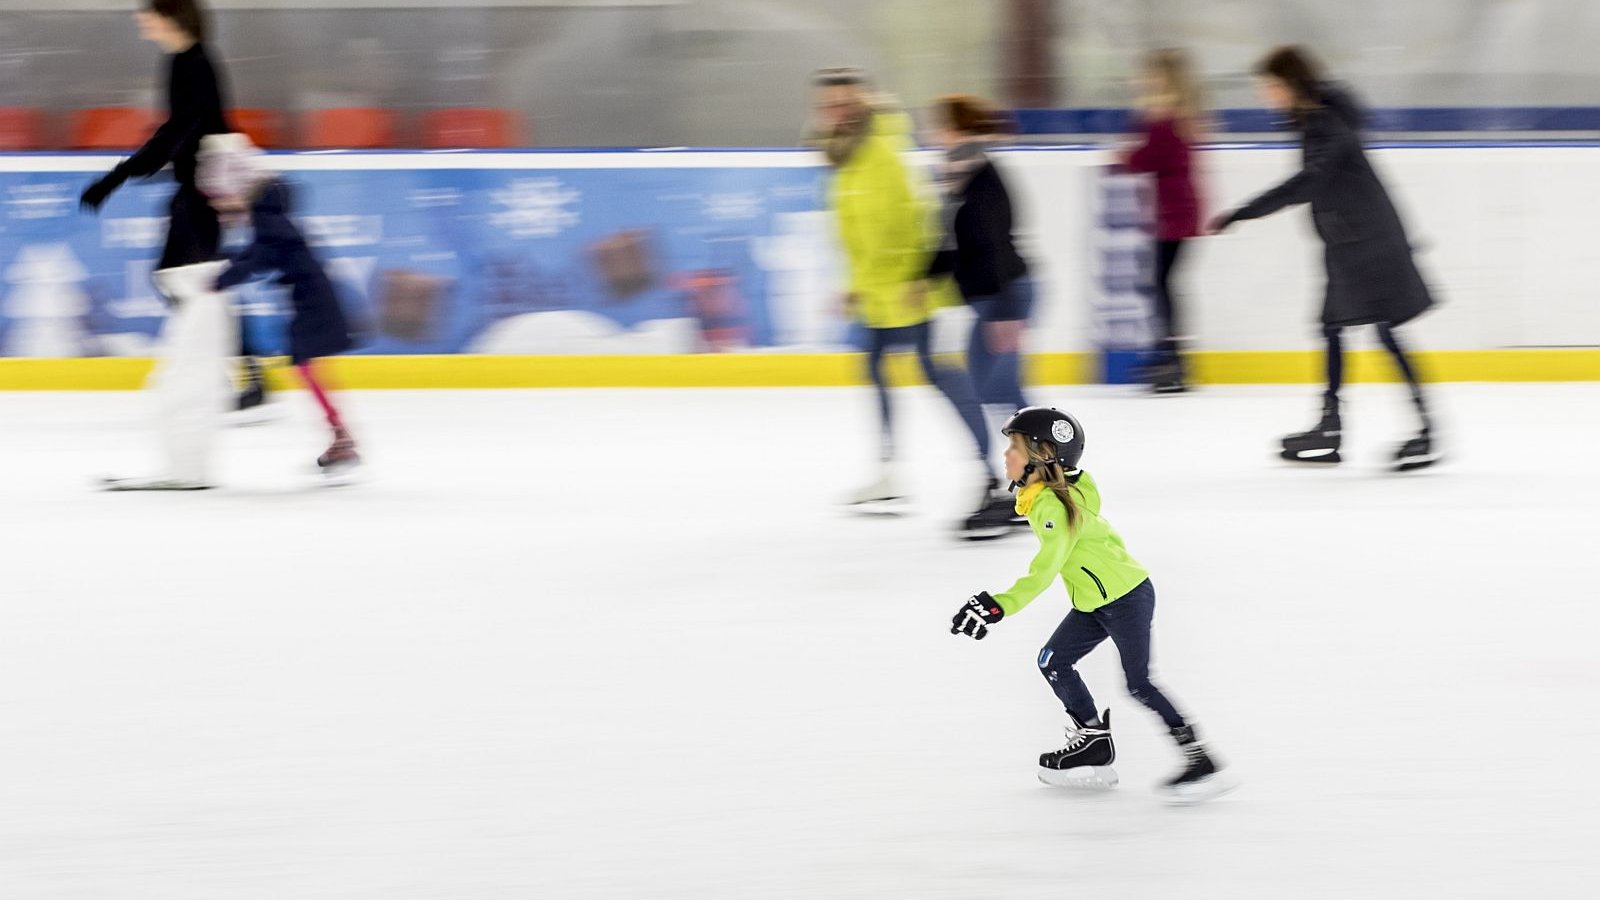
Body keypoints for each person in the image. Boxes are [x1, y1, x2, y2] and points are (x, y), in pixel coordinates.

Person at [949, 407, 1233, 804]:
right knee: (1052, 661)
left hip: (1126, 596)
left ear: (1044, 455)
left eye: (1014, 447)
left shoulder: (1055, 509)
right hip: (1094, 601)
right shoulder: (1054, 494)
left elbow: (1043, 572)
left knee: (1139, 683)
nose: (1006, 456)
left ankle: (1199, 757)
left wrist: (998, 605)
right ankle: (1094, 742)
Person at [1211, 46, 1438, 471]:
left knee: (1385, 332)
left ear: (1291, 84)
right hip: (1347, 242)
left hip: (1372, 242)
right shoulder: (1312, 120)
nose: (1265, 96)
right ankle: (1330, 426)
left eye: (1271, 87)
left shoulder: (1325, 123)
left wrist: (1244, 212)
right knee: (1332, 326)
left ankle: (1428, 430)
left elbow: (1308, 182)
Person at [808, 68, 994, 532]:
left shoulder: (885, 152)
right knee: (874, 367)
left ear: (863, 105)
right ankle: (890, 471)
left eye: (845, 104)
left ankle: (990, 470)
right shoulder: (845, 159)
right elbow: (859, 230)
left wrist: (922, 279)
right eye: (829, 106)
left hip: (911, 289)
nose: (837, 113)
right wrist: (854, 283)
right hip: (877, 291)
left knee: (939, 373)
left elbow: (924, 218)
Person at [78, 0, 270, 413]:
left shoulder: (194, 62)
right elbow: (182, 131)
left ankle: (240, 373)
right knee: (189, 281)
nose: (141, 19)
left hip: (203, 191)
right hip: (195, 187)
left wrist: (120, 174)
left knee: (189, 281)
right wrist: (129, 171)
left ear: (172, 18)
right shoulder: (184, 60)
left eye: (150, 13)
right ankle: (241, 372)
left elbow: (182, 129)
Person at [199, 134, 361, 474]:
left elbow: (260, 255)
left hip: (314, 303)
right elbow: (258, 252)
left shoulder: (267, 218)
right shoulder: (269, 214)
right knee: (305, 366)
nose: (223, 210)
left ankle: (341, 438)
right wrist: (227, 265)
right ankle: (340, 436)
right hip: (311, 300)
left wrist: (219, 280)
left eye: (224, 199)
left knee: (304, 365)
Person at [922, 94, 1034, 536]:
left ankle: (1036, 482)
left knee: (997, 388)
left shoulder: (983, 176)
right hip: (994, 299)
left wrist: (1007, 312)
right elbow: (954, 246)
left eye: (939, 127)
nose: (933, 136)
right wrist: (923, 278)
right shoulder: (960, 175)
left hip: (1006, 297)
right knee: (997, 388)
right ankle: (1034, 481)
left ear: (957, 129)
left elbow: (994, 243)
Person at [1119, 49, 1204, 394]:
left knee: (1159, 283)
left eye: (1152, 75)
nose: (1145, 81)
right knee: (1160, 283)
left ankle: (1171, 357)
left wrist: (1128, 150)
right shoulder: (1177, 116)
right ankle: (1169, 354)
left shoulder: (1166, 117)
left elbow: (1143, 158)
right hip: (1175, 212)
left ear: (1164, 78)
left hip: (1173, 214)